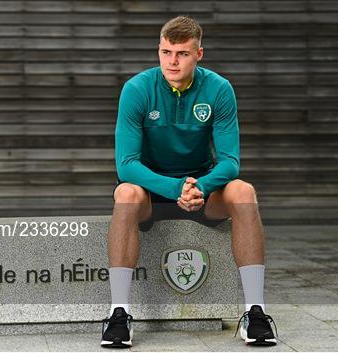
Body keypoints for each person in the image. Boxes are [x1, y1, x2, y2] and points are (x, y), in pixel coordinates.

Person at [100, 16, 277, 348]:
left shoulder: (219, 89)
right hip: (152, 193)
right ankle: (118, 315)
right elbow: (126, 165)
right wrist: (173, 188)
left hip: (201, 191)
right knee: (124, 193)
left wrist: (201, 186)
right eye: (166, 52)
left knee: (243, 192)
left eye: (182, 53)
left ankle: (255, 314)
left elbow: (230, 162)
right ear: (159, 50)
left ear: (199, 54)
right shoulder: (137, 89)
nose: (172, 61)